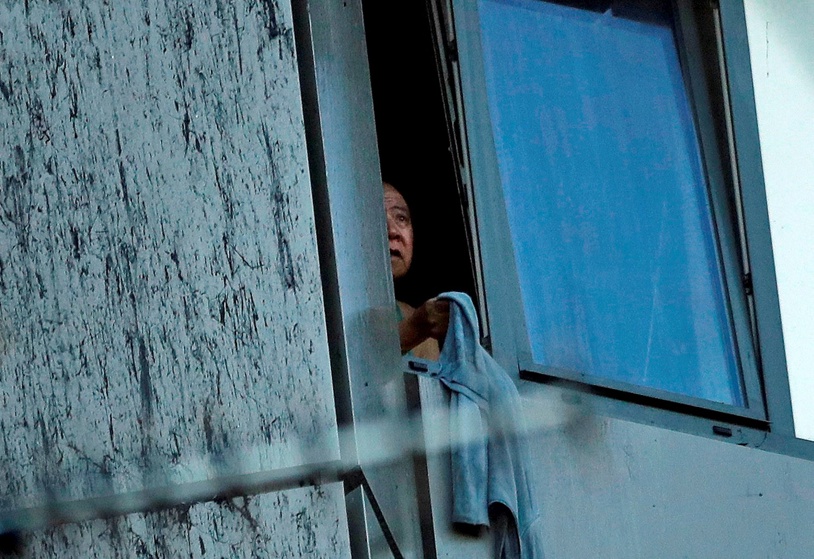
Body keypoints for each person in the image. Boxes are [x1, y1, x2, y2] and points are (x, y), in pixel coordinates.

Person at [384, 182, 450, 360]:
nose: (393, 231)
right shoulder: (326, 308)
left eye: (401, 218)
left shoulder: (422, 327)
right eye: (376, 217)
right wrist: (414, 329)